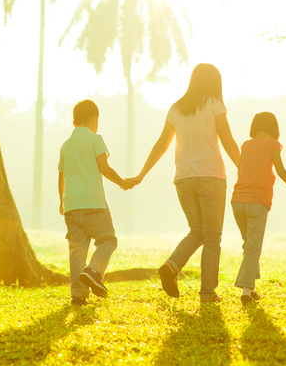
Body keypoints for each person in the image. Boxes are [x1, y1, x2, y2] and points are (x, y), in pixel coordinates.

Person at [126, 64, 241, 303]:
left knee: (197, 232)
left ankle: (171, 266)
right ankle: (207, 293)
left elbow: (161, 145)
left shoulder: (176, 108)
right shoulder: (215, 104)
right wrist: (245, 169)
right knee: (211, 237)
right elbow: (228, 140)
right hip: (211, 177)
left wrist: (141, 174)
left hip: (183, 180)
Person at [58, 99, 132, 306]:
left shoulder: (65, 145)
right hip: (94, 204)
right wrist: (123, 182)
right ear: (94, 119)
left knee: (77, 249)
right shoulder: (96, 139)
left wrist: (62, 202)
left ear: (74, 123)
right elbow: (104, 168)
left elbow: (61, 178)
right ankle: (94, 270)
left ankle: (78, 295)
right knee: (108, 240)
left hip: (71, 206)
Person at [231, 111, 286, 305]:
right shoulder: (273, 145)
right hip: (257, 202)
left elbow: (241, 170)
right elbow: (280, 170)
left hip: (237, 201)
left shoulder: (246, 145)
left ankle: (251, 288)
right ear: (274, 129)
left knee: (249, 244)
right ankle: (246, 291)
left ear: (254, 127)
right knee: (253, 248)